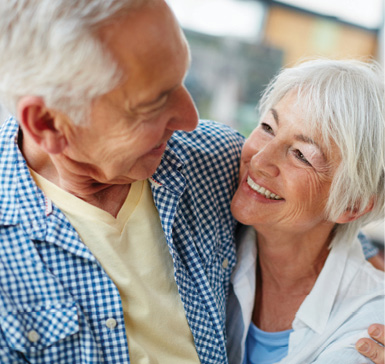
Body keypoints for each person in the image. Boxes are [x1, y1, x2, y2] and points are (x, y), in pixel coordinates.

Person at [0, 1, 382, 363]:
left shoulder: (212, 158)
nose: (190, 118)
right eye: (154, 101)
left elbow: (324, 213)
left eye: (183, 80)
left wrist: (369, 268)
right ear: (48, 124)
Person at [226, 59, 385, 364]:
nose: (259, 160)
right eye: (268, 128)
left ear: (350, 205)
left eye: (301, 155)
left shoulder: (370, 328)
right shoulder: (212, 237)